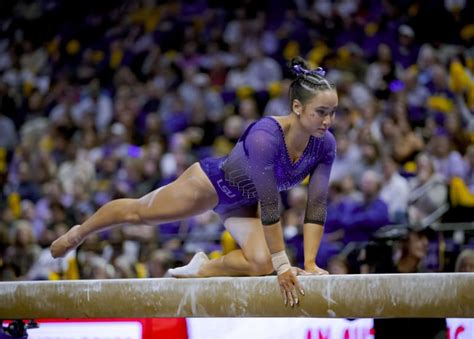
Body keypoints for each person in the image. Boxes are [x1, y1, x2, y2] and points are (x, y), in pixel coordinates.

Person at [50, 57, 338, 307]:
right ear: (298, 107)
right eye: (321, 112)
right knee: (139, 213)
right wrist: (284, 265)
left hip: (244, 204)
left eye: (332, 112)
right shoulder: (266, 135)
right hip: (213, 185)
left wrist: (310, 264)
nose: (328, 121)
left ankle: (203, 268)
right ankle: (79, 232)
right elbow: (271, 202)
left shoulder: (324, 145)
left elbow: (316, 204)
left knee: (262, 263)